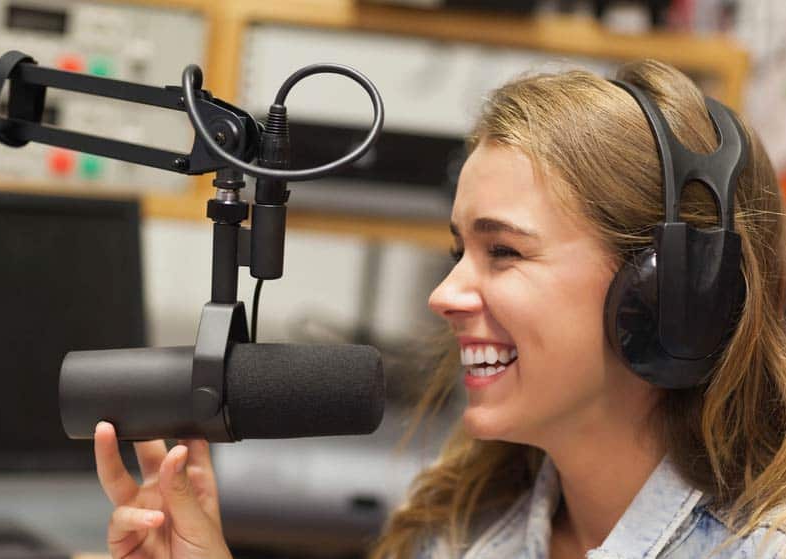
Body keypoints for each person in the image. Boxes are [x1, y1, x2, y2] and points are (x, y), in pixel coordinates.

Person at [94, 59, 786, 558]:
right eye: (458, 249)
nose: (444, 294)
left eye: (504, 252)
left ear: (673, 290)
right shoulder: (454, 532)